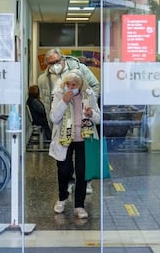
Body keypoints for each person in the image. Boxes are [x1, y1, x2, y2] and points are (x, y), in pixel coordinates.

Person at [38, 47, 100, 194]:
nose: (54, 65)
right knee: (64, 162)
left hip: (82, 121)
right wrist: (51, 121)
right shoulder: (44, 79)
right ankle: (68, 186)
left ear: (63, 59)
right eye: (50, 63)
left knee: (83, 162)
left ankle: (84, 185)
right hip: (61, 122)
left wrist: (89, 104)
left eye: (56, 61)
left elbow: (95, 85)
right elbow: (47, 103)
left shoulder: (80, 69)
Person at [48, 70, 100, 219]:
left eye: (74, 84)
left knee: (82, 173)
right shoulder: (59, 94)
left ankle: (79, 205)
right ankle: (62, 198)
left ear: (81, 84)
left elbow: (98, 118)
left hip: (84, 139)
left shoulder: (88, 94)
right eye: (68, 84)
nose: (71, 87)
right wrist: (64, 101)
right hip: (64, 139)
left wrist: (91, 114)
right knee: (64, 170)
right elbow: (53, 117)